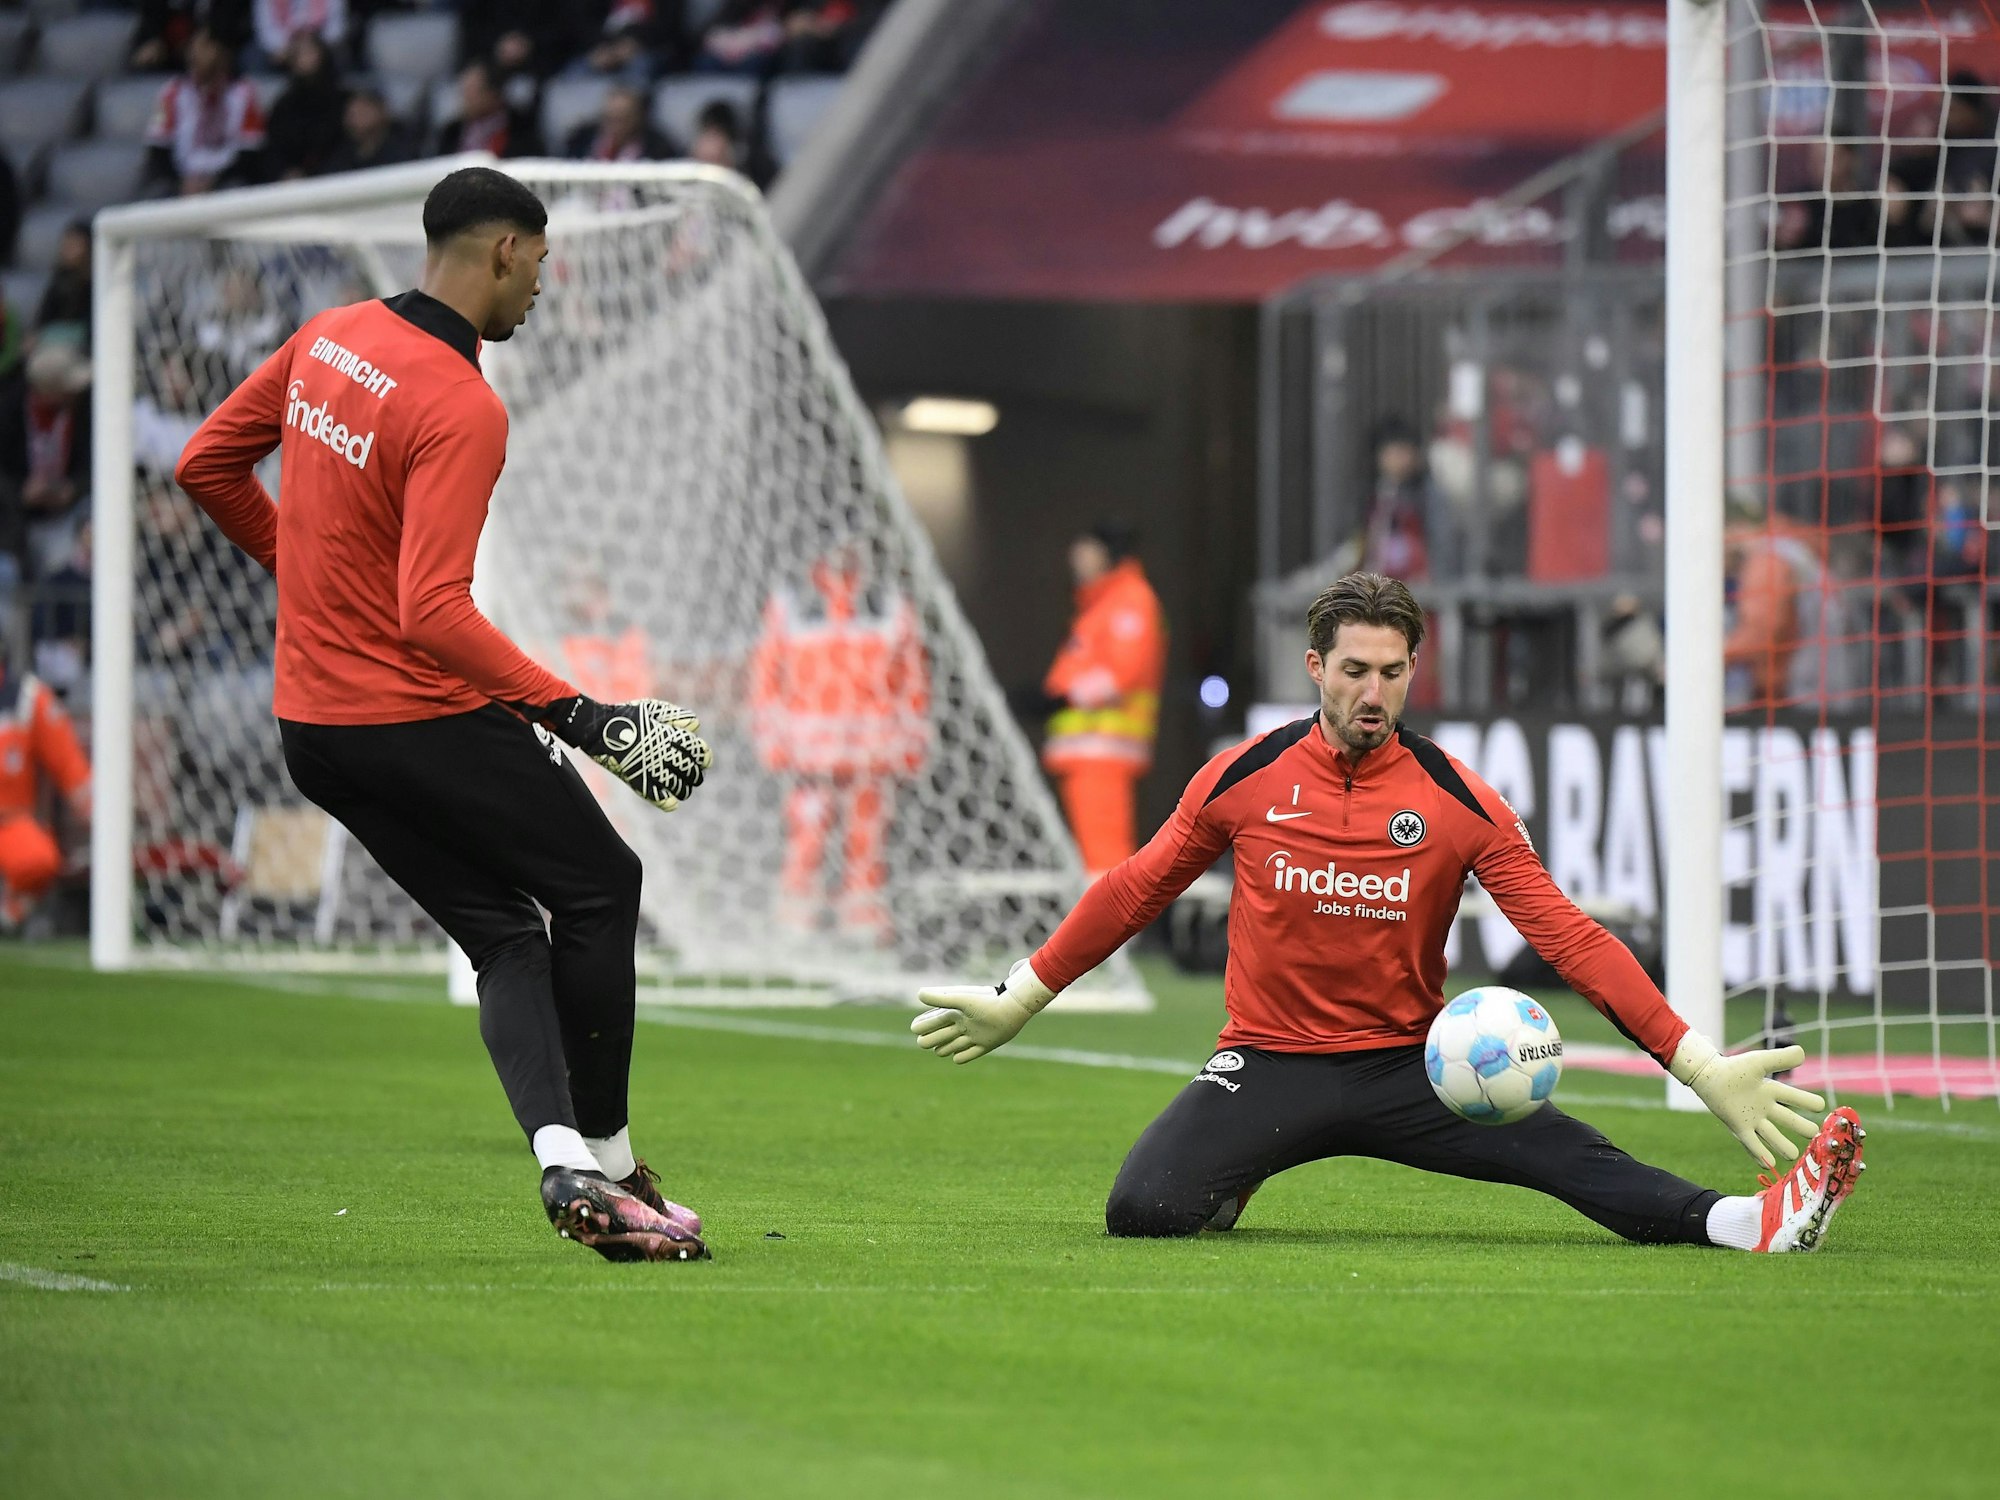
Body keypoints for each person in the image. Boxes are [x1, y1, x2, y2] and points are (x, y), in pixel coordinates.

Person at [914, 572, 1867, 1255]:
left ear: (1415, 670)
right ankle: (1234, 1173)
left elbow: (1566, 936)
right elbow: (1134, 888)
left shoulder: (1460, 800)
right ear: (1315, 666)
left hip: (1417, 1070)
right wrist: (1019, 996)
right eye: (1356, 670)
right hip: (1271, 1061)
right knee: (1142, 1211)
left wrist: (1700, 1065)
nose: (1375, 693)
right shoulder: (1245, 776)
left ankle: (1748, 1221)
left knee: (1568, 1155)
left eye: (1395, 673)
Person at [173, 166, 716, 1263]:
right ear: (506, 251)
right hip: (410, 713)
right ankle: (612, 1166)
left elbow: (205, 465)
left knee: (506, 933)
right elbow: (430, 613)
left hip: (314, 731)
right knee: (603, 884)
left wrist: (308, 579)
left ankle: (565, 1161)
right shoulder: (460, 402)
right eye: (543, 263)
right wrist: (585, 717)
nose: (541, 289)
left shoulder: (328, 337)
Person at [750, 545, 930, 941]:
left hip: (872, 747)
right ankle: (796, 919)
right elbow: (766, 673)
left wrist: (911, 742)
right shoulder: (793, 604)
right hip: (810, 750)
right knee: (807, 833)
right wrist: (771, 738)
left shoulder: (887, 604)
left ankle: (862, 918)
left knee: (866, 836)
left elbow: (912, 678)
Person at [1036, 521, 1166, 877]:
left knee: (1104, 856)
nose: (1075, 561)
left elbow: (1122, 671)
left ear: (1107, 554)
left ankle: (1112, 931)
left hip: (1104, 745)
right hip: (1090, 748)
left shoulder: (1129, 600)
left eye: (1085, 552)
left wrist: (1063, 699)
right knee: (1096, 854)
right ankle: (1105, 927)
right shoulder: (1103, 604)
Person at [0, 646, 91, 932]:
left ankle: (9, 915)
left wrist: (102, 817)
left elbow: (71, 768)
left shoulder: (29, 700)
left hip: (9, 820)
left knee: (36, 859)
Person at [143, 27, 268, 197]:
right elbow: (158, 149)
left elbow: (250, 152)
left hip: (226, 177)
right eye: (196, 48)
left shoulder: (245, 93)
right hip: (181, 177)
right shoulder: (172, 92)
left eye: (207, 47)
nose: (199, 54)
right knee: (157, 191)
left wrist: (214, 180)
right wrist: (182, 181)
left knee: (238, 189)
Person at [262, 29, 347, 180]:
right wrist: (285, 172)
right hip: (292, 183)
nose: (305, 58)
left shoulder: (343, 100)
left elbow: (346, 147)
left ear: (322, 53)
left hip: (336, 177)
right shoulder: (284, 106)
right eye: (298, 53)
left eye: (310, 51)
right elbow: (274, 150)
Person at [433, 59, 544, 160]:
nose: (464, 99)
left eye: (471, 93)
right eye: (463, 91)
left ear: (493, 94)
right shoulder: (452, 132)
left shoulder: (521, 132)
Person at [320, 85, 419, 176]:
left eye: (363, 109)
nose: (355, 116)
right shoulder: (341, 156)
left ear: (381, 110)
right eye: (351, 111)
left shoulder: (405, 149)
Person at [565, 84, 677, 163]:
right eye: (609, 118)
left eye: (621, 119)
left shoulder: (658, 149)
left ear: (638, 117)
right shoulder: (580, 140)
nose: (614, 126)